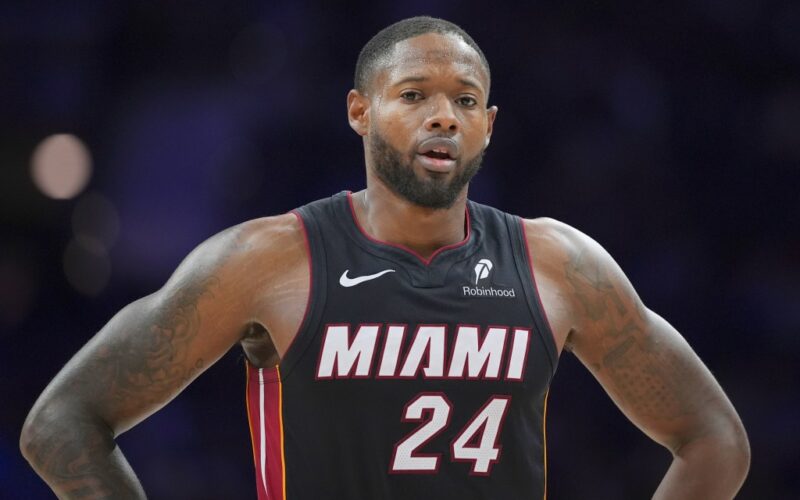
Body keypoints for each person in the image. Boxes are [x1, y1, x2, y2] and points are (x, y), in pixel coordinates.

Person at [20, 16, 749, 499]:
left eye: (466, 101)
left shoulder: (558, 262)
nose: (444, 116)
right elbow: (63, 421)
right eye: (414, 95)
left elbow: (714, 439)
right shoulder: (268, 258)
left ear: (489, 126)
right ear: (359, 111)